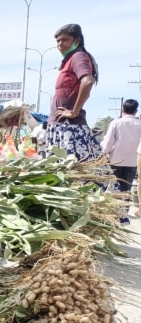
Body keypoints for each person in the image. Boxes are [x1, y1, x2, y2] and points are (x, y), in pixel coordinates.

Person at [47, 23, 101, 162]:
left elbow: (87, 81)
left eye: (64, 40)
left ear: (76, 41)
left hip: (69, 129)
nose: (60, 44)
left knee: (72, 174)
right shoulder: (69, 60)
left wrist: (74, 111)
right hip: (61, 126)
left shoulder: (78, 56)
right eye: (58, 41)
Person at [101, 99, 141, 225]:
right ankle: (124, 214)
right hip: (133, 160)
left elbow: (108, 142)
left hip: (115, 159)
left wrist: (105, 153)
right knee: (127, 187)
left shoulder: (116, 123)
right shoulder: (139, 124)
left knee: (114, 186)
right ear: (136, 111)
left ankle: (113, 212)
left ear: (122, 110)